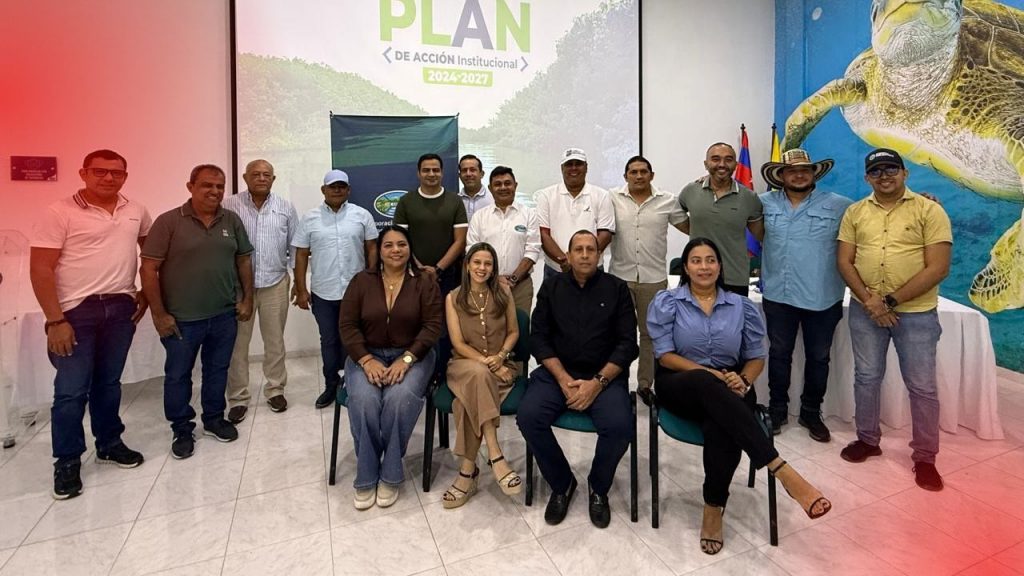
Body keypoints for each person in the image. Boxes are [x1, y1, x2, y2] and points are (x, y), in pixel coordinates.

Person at [648, 237, 831, 555]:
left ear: (720, 267)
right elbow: (664, 356)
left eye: (710, 260)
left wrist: (744, 379)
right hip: (679, 383)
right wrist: (712, 374)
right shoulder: (668, 302)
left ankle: (713, 508)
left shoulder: (740, 306)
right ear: (685, 267)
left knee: (723, 425)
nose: (704, 267)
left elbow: (756, 356)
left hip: (732, 383)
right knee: (707, 385)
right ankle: (780, 468)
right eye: (696, 261)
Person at [30, 149, 151, 499]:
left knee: (109, 383)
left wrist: (145, 291)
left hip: (121, 306)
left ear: (125, 176)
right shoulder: (59, 212)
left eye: (117, 172)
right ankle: (67, 460)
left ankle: (109, 443)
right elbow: (40, 269)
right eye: (100, 171)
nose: (109, 178)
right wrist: (55, 319)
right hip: (75, 312)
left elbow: (151, 254)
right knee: (71, 390)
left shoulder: (136, 210)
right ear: (83, 173)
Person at [837, 148, 952, 492]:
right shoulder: (855, 212)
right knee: (866, 377)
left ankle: (925, 457)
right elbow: (845, 261)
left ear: (905, 173)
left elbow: (938, 267)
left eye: (891, 169)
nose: (884, 176)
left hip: (916, 314)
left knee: (922, 386)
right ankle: (868, 439)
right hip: (866, 310)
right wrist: (870, 301)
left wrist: (889, 301)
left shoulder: (930, 210)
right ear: (867, 178)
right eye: (876, 171)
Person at [517, 230, 637, 529]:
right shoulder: (551, 287)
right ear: (568, 256)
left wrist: (597, 383)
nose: (584, 255)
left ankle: (598, 487)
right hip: (558, 374)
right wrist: (562, 378)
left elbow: (627, 344)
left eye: (590, 249)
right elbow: (538, 338)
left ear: (599, 255)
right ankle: (562, 483)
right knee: (528, 416)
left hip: (604, 377)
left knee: (620, 427)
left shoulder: (617, 288)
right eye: (578, 249)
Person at [140, 164, 254, 460]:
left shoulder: (231, 220)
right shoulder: (168, 222)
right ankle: (181, 428)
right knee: (178, 375)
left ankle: (214, 419)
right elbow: (149, 269)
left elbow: (243, 260)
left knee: (217, 370)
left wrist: (247, 299)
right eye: (207, 185)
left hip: (224, 315)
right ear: (190, 187)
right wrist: (159, 314)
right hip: (182, 320)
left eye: (219, 186)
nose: (214, 191)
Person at [339, 226, 442, 510]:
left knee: (399, 399)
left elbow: (433, 326)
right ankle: (367, 473)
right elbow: (347, 325)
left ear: (410, 249)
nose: (396, 250)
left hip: (414, 355)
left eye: (401, 244)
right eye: (388, 245)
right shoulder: (362, 281)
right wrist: (365, 359)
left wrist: (407, 358)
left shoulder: (425, 282)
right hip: (366, 355)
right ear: (379, 251)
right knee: (364, 400)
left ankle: (391, 474)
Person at [758, 149, 851, 441]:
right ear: (781, 175)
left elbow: (876, 213)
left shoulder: (841, 205)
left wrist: (925, 199)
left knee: (819, 358)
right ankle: (777, 410)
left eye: (805, 170)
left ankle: (811, 412)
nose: (799, 174)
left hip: (822, 297)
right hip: (778, 295)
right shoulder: (763, 202)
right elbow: (734, 209)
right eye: (792, 170)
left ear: (814, 173)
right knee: (778, 354)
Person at [441, 242, 522, 509]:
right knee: (477, 374)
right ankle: (495, 454)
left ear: (493, 268)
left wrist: (501, 357)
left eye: (488, 263)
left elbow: (514, 332)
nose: (482, 268)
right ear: (467, 265)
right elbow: (458, 343)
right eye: (477, 262)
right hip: (464, 366)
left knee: (465, 402)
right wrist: (490, 364)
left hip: (500, 367)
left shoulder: (503, 293)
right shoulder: (453, 298)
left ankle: (467, 472)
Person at [293, 169, 379, 409]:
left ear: (348, 190)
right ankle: (331, 384)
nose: (337, 190)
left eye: (342, 186)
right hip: (324, 292)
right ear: (324, 190)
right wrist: (300, 289)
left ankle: (354, 383)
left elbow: (372, 248)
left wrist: (372, 280)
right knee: (329, 340)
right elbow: (301, 255)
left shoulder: (361, 215)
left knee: (356, 339)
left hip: (356, 292)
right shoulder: (310, 218)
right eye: (333, 186)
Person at [221, 159, 299, 422]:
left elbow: (295, 246)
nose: (262, 178)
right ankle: (238, 397)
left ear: (273, 179)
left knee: (275, 342)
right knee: (237, 345)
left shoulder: (285, 207)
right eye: (256, 174)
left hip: (275, 284)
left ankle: (275, 389)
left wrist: (296, 280)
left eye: (267, 174)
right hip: (238, 289)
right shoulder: (229, 206)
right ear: (245, 178)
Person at [609, 155, 687, 396]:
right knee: (618, 334)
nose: (639, 176)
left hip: (653, 279)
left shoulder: (667, 201)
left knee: (650, 334)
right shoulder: (611, 198)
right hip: (620, 278)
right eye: (633, 172)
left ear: (652, 175)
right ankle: (617, 382)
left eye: (644, 171)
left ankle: (645, 385)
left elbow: (690, 227)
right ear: (625, 176)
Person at [678, 143, 764, 295]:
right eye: (716, 159)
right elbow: (675, 214)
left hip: (734, 277)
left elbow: (760, 235)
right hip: (698, 275)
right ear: (706, 164)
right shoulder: (690, 191)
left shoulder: (749, 198)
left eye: (728, 159)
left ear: (736, 165)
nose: (722, 164)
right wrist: (696, 231)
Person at [465, 166, 540, 314]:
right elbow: (471, 251)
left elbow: (532, 250)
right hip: (486, 284)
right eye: (498, 184)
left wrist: (513, 280)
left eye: (507, 183)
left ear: (515, 185)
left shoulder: (529, 214)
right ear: (490, 188)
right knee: (488, 327)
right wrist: (495, 279)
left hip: (520, 287)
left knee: (520, 325)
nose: (503, 187)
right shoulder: (479, 217)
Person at [393, 153, 468, 295]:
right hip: (413, 272)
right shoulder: (405, 201)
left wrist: (438, 269)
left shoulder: (455, 201)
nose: (431, 174)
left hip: (448, 274)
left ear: (442, 173)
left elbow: (460, 241)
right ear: (418, 173)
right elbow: (399, 239)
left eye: (436, 170)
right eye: (426, 170)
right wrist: (419, 268)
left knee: (447, 309)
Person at [535, 148, 615, 280]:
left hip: (592, 270)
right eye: (569, 164)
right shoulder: (546, 196)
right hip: (556, 270)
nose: (573, 168)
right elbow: (543, 235)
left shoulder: (602, 196)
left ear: (586, 167)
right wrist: (565, 260)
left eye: (578, 164)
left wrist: (581, 260)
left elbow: (605, 235)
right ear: (562, 168)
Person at [457, 154, 493, 222]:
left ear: (482, 174)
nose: (468, 174)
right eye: (464, 170)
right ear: (459, 176)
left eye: (472, 170)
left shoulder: (493, 199)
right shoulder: (455, 201)